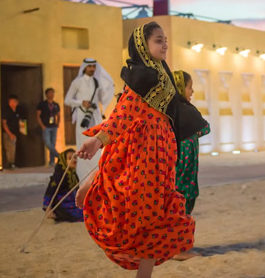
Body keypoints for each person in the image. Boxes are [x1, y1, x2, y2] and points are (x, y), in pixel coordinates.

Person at [75, 22, 207, 277]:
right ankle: (93, 181)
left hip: (161, 155)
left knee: (156, 214)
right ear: (142, 46)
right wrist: (98, 140)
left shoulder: (160, 73)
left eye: (165, 39)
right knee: (146, 215)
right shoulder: (142, 77)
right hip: (143, 153)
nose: (165, 44)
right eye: (158, 40)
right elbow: (124, 114)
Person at [64, 58, 114, 181]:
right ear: (85, 67)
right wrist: (81, 102)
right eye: (89, 66)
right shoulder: (77, 82)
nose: (92, 68)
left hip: (95, 116)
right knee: (83, 147)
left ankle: (96, 177)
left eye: (93, 66)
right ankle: (83, 180)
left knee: (97, 145)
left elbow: (103, 98)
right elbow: (67, 100)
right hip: (83, 117)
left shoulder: (98, 83)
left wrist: (109, 88)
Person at [172, 70, 210, 215]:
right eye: (189, 87)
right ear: (180, 87)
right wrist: (195, 133)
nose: (192, 91)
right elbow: (205, 128)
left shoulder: (170, 111)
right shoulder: (187, 111)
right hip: (185, 182)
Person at [42, 148, 83, 222]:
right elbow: (49, 192)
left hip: (73, 203)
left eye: (75, 158)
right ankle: (59, 215)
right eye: (70, 158)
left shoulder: (73, 175)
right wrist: (48, 210)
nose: (74, 160)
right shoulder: (59, 176)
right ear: (63, 161)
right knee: (84, 213)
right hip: (63, 206)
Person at [37, 88, 61, 167]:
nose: (51, 94)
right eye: (50, 93)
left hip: (53, 126)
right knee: (48, 143)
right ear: (46, 94)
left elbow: (58, 115)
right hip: (46, 127)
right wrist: (42, 126)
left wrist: (58, 123)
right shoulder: (42, 104)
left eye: (52, 93)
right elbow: (38, 116)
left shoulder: (56, 105)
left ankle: (52, 162)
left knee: (53, 144)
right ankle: (58, 155)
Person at [2, 94, 21, 168]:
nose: (12, 103)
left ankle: (12, 163)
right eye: (10, 102)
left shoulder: (17, 111)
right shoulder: (7, 111)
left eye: (13, 102)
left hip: (15, 133)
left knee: (14, 149)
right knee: (9, 149)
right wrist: (10, 134)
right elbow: (4, 123)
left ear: (17, 102)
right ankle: (10, 164)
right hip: (8, 133)